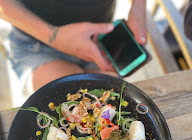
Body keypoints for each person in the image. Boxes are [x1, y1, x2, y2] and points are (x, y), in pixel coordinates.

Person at [0, 0, 147, 94]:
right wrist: (55, 37)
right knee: (76, 104)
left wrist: (138, 8)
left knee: (110, 105)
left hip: (100, 41)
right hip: (37, 42)